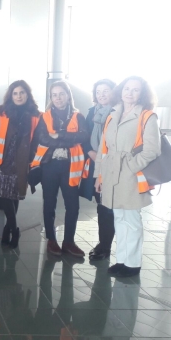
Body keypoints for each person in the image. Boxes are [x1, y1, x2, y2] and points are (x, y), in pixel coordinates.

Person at [95, 76, 161, 277]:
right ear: (121, 91)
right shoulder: (113, 114)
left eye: (135, 90)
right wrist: (99, 175)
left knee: (131, 219)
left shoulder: (147, 116)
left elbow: (152, 150)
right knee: (119, 218)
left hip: (131, 174)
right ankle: (121, 260)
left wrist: (131, 166)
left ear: (142, 94)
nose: (129, 93)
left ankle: (132, 264)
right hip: (111, 172)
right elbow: (103, 148)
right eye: (127, 88)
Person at [30, 80, 89, 257]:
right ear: (51, 97)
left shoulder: (78, 117)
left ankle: (69, 242)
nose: (58, 98)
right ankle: (51, 240)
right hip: (50, 166)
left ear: (68, 95)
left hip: (71, 167)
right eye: (54, 95)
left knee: (73, 205)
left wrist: (59, 135)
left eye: (61, 94)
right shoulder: (45, 116)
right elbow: (43, 139)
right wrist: (70, 139)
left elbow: (84, 136)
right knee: (49, 203)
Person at [0, 80, 41, 248]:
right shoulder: (3, 111)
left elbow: (37, 141)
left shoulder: (37, 115)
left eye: (22, 92)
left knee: (14, 196)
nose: (19, 96)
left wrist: (34, 162)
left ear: (27, 94)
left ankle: (9, 227)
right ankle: (14, 229)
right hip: (1, 161)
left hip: (22, 163)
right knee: (4, 196)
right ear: (11, 95)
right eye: (15, 93)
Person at [83, 79, 116, 261]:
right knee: (102, 206)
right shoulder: (91, 113)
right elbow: (84, 136)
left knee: (109, 208)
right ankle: (103, 244)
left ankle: (105, 246)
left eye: (106, 91)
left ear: (114, 92)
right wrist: (90, 152)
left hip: (113, 165)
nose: (102, 95)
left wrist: (102, 157)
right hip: (95, 164)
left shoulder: (118, 112)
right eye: (98, 92)